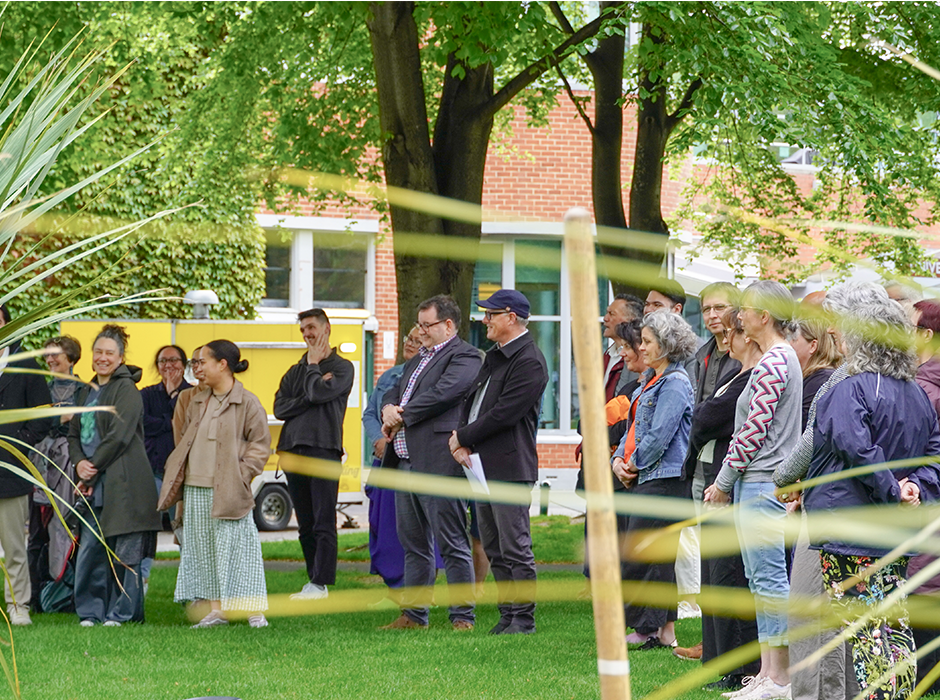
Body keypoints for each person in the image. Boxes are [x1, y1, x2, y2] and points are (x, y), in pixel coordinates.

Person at [802, 293, 940, 700]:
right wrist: (914, 485)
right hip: (893, 531)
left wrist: (895, 490)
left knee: (866, 632)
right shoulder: (913, 392)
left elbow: (856, 449)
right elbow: (934, 452)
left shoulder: (851, 388)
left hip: (849, 531)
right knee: (893, 626)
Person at [774, 282, 890, 700]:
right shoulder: (902, 376)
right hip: (877, 515)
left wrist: (785, 480)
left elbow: (814, 441)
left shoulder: (847, 376)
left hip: (833, 513)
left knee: (811, 615)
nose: (832, 332)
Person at [704, 281, 802, 700]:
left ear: (765, 316)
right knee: (760, 580)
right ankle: (766, 673)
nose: (738, 316)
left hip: (762, 483)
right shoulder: (776, 360)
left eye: (745, 309)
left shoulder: (775, 362)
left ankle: (779, 677)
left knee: (769, 582)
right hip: (757, 483)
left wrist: (723, 482)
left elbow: (751, 432)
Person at [379, 295, 482, 631]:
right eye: (419, 324)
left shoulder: (465, 356)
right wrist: (389, 408)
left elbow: (445, 392)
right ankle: (414, 614)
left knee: (452, 541)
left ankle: (462, 616)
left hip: (439, 461)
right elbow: (396, 391)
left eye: (427, 325)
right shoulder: (417, 360)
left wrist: (402, 415)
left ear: (448, 325)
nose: (420, 331)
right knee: (414, 544)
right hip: (406, 461)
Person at [448, 289, 548, 635]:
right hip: (482, 465)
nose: (484, 320)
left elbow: (504, 414)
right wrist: (462, 438)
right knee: (493, 545)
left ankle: (524, 619)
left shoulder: (529, 361)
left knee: (515, 546)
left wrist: (463, 437)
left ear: (510, 317)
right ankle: (507, 615)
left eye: (491, 314)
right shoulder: (497, 355)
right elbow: (473, 402)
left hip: (509, 467)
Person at [159, 340, 271, 628]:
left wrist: (241, 475)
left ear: (222, 364)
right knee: (204, 550)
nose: (197, 368)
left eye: (202, 362)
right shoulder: (195, 399)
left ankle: (253, 609)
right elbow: (184, 436)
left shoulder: (247, 401)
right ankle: (217, 610)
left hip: (230, 489)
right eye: (195, 363)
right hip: (196, 487)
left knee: (240, 549)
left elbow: (260, 446)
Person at [677, 309, 759, 690]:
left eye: (733, 334)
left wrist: (705, 416)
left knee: (728, 575)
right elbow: (702, 415)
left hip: (730, 484)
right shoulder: (733, 375)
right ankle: (717, 659)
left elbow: (708, 417)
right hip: (712, 476)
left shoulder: (752, 379)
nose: (727, 341)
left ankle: (737, 665)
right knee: (713, 575)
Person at [611, 310, 698, 649]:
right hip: (648, 476)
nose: (640, 347)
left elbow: (660, 434)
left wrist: (630, 465)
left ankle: (648, 628)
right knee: (656, 560)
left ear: (666, 345)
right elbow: (633, 430)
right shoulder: (650, 381)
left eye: (647, 342)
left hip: (663, 480)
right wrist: (618, 459)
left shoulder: (675, 383)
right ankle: (661, 632)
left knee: (642, 557)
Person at [68, 324, 161, 626]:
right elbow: (72, 434)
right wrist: (78, 462)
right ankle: (91, 612)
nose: (102, 358)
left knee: (126, 553)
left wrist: (89, 471)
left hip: (124, 483)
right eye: (98, 352)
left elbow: (119, 437)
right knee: (91, 550)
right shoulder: (86, 390)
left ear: (121, 358)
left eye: (109, 353)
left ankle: (123, 613)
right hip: (94, 480)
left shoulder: (126, 390)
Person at [675, 282, 742, 660]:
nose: (714, 315)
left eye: (721, 308)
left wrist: (704, 420)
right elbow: (698, 407)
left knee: (723, 556)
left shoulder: (744, 355)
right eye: (707, 309)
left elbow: (723, 413)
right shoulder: (702, 353)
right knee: (703, 548)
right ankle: (709, 639)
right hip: (700, 457)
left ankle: (722, 643)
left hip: (727, 460)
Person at [274, 309, 355, 601]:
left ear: (326, 328)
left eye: (311, 327)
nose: (307, 334)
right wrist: (311, 386)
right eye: (303, 330)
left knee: (323, 519)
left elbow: (320, 395)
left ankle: (321, 583)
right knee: (305, 523)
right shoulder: (296, 369)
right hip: (292, 451)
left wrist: (312, 370)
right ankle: (312, 581)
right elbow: (280, 408)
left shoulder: (343, 367)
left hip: (323, 448)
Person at [0, 306, 54, 626]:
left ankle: (19, 605)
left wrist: (22, 439)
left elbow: (44, 412)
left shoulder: (25, 364)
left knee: (14, 546)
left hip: (10, 468)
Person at [361, 326, 422, 598]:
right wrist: (378, 440)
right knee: (383, 530)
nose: (409, 343)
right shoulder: (389, 376)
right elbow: (369, 414)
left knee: (415, 531)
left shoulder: (432, 377)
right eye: (408, 338)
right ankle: (394, 591)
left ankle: (418, 594)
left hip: (411, 464)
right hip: (383, 463)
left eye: (417, 340)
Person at [28, 335, 81, 613]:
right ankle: (34, 596)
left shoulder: (85, 390)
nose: (49, 360)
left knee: (70, 528)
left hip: (71, 468)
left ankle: (70, 595)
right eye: (46, 355)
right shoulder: (40, 389)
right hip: (39, 467)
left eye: (55, 355)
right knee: (38, 532)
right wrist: (57, 418)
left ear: (71, 358)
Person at [140, 345, 191, 590]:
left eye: (173, 360)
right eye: (162, 361)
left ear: (184, 364)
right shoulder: (147, 394)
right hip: (153, 471)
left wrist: (173, 401)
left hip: (184, 476)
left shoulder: (193, 394)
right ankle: (142, 581)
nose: (168, 365)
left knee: (185, 530)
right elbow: (142, 424)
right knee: (147, 528)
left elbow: (186, 428)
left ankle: (191, 584)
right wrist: (170, 416)